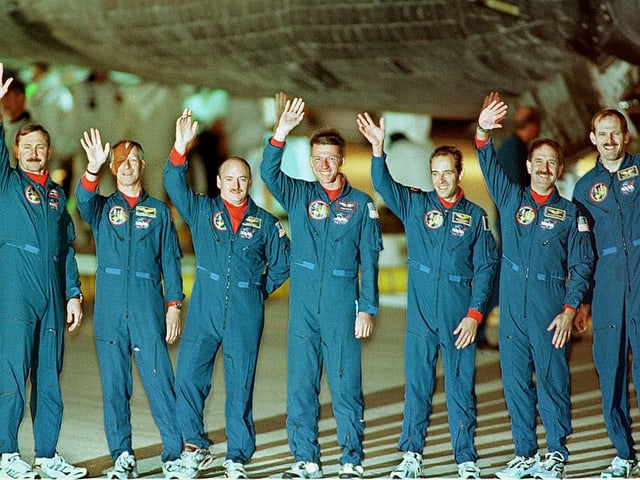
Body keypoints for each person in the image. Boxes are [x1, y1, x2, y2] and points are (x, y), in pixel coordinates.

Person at [357, 113, 498, 479]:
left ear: (459, 173)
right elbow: (383, 184)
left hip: (458, 320)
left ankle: (465, 458)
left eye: (447, 172)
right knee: (417, 389)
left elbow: (485, 269)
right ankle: (411, 456)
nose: (441, 180)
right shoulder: (417, 205)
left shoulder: (476, 217)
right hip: (421, 319)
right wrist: (377, 149)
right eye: (435, 173)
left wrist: (474, 315)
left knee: (460, 390)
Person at [164, 109, 290, 479]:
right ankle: (193, 447)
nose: (236, 185)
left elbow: (283, 264)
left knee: (240, 385)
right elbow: (174, 184)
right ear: (218, 182)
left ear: (249, 183)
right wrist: (179, 147)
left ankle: (237, 457)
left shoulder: (266, 223)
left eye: (242, 179)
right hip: (204, 309)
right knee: (188, 378)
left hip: (244, 314)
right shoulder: (202, 211)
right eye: (229, 179)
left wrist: (256, 291)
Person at [261, 96, 383, 480]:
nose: (324, 166)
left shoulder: (362, 204)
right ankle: (306, 459)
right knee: (301, 386)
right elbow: (268, 173)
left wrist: (368, 307)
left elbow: (371, 259)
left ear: (342, 159)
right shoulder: (299, 195)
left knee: (346, 385)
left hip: (342, 306)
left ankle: (351, 459)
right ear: (311, 161)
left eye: (330, 158)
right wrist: (281, 131)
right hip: (303, 309)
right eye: (317, 159)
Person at [475, 92, 593, 479]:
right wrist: (483, 129)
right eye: (538, 161)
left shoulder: (572, 214)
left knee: (552, 382)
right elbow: (486, 161)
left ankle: (555, 454)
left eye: (551, 163)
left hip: (549, 311)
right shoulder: (511, 199)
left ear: (560, 170)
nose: (544, 168)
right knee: (515, 386)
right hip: (512, 313)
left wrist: (569, 309)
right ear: (528, 165)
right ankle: (524, 454)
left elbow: (582, 264)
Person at [76, 129, 190, 479]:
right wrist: (91, 171)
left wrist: (174, 305)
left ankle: (174, 454)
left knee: (159, 380)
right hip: (109, 307)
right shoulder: (102, 209)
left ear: (143, 165)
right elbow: (82, 201)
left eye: (133, 161)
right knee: (114, 385)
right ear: (112, 167)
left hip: (146, 305)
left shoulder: (158, 212)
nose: (126, 167)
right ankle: (122, 456)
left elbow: (171, 261)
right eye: (120, 161)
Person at [0, 64, 87, 480]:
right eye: (26, 147)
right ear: (16, 151)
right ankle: (6, 455)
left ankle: (48, 456)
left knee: (49, 378)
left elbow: (67, 247)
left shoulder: (55, 196)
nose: (33, 153)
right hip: (16, 294)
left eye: (40, 147)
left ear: (48, 152)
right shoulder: (6, 185)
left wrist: (73, 293)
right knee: (13, 375)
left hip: (52, 297)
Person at [572, 108, 640, 478]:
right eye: (603, 134)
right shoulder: (584, 189)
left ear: (626, 137)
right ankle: (624, 454)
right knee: (610, 373)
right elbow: (583, 252)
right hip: (608, 293)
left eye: (617, 133)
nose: (611, 140)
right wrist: (581, 301)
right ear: (593, 138)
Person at [479, 105, 542, 348]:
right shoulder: (515, 150)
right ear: (533, 126)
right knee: (504, 277)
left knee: (502, 276)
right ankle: (481, 326)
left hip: (507, 221)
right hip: (513, 224)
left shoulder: (511, 146)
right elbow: (516, 190)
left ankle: (482, 326)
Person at [0, 77, 33, 167]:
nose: (4, 101)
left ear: (20, 98)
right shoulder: (6, 124)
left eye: (7, 97)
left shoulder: (31, 130)